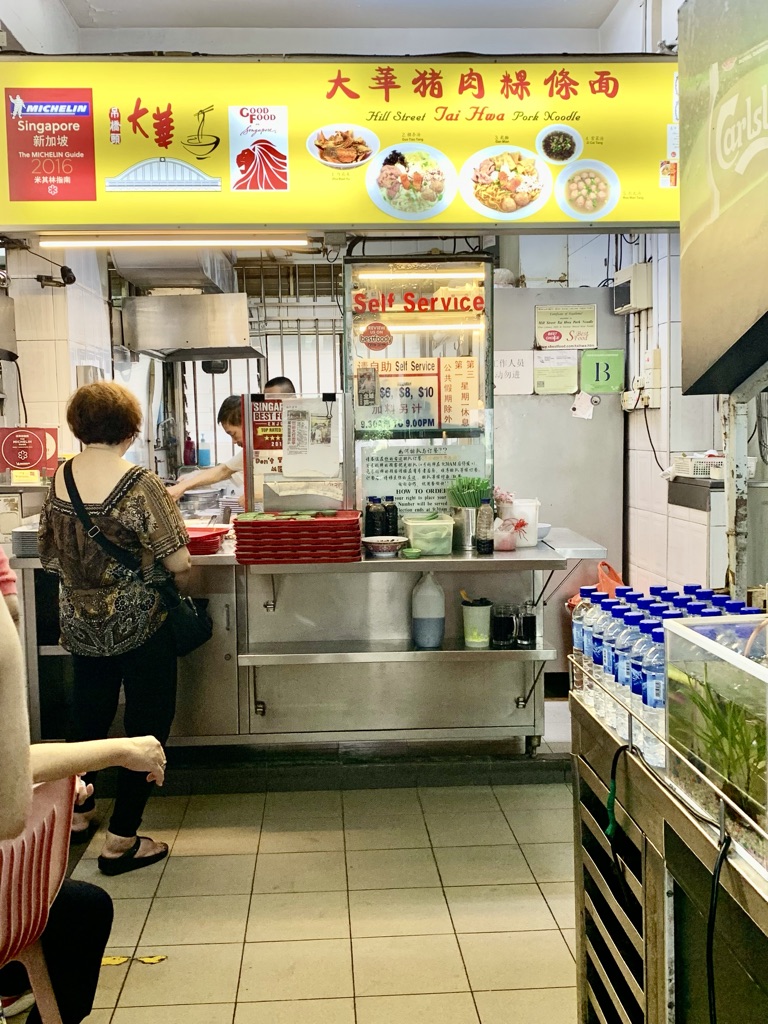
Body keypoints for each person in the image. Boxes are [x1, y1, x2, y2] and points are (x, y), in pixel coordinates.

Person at [37, 381, 191, 875]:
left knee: (87, 722)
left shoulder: (61, 478)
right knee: (146, 726)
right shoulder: (139, 482)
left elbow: (47, 554)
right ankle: (123, 839)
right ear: (130, 427)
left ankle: (78, 814)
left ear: (78, 425)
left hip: (80, 626)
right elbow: (181, 562)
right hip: (141, 625)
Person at [0, 580, 169, 1023]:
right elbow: (7, 802)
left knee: (81, 909)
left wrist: (53, 781)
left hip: (83, 631)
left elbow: (12, 766)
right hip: (139, 630)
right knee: (80, 914)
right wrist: (117, 752)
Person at [166, 375, 295, 506]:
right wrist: (183, 485)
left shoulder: (294, 440)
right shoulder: (259, 444)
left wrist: (257, 495)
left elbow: (300, 484)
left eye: (233, 434)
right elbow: (224, 470)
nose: (271, 409)